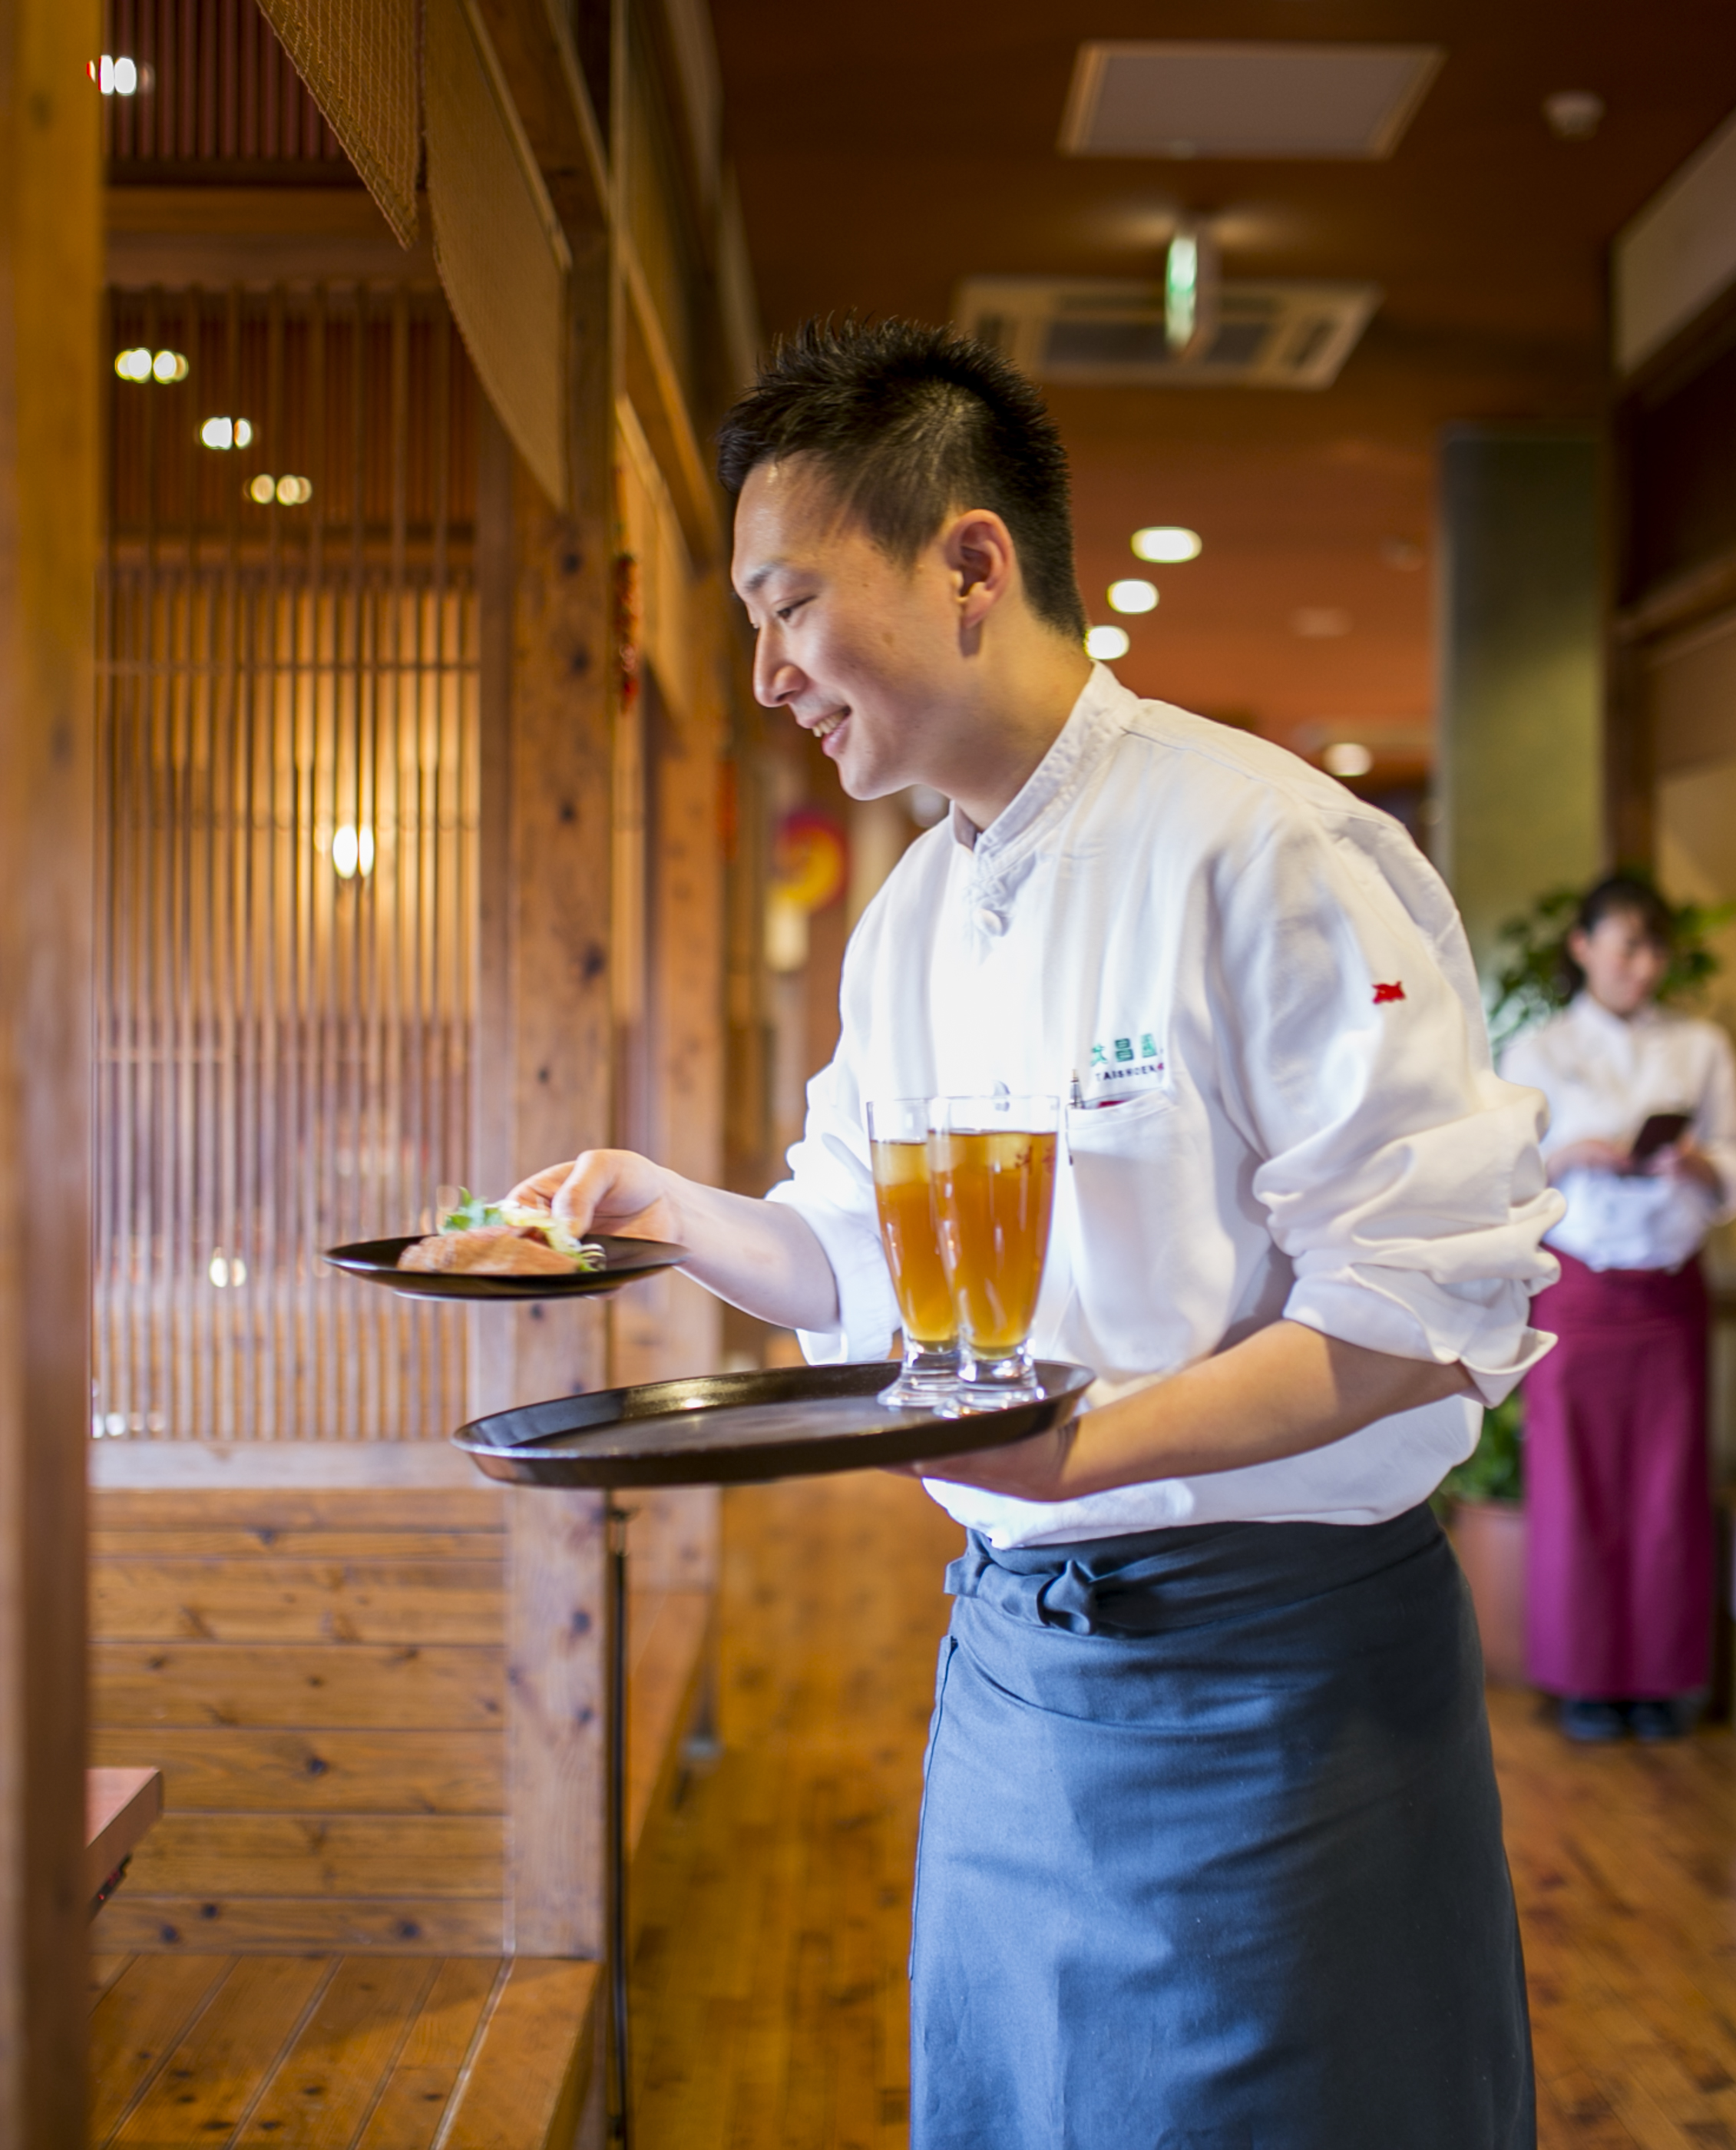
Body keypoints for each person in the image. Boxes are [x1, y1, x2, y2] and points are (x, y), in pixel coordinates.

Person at [511, 318, 1558, 2149]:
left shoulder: (1269, 846)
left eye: (787, 606)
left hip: (1277, 1693)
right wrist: (668, 1212)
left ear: (970, 565)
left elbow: (1414, 1316)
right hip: (1006, 1681)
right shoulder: (910, 918)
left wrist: (1073, 1455)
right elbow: (851, 1264)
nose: (763, 674)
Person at [1496, 874, 1736, 1744]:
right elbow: (1498, 1175)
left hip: (1670, 1283)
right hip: (1579, 1282)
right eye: (1626, 946)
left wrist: (1693, 1163)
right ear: (1583, 947)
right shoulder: (1538, 1050)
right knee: (1576, 1480)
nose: (1642, 967)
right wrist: (1568, 1154)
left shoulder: (1701, 1045)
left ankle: (1660, 1679)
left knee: (1666, 1484)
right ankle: (1583, 1678)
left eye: (1654, 950)